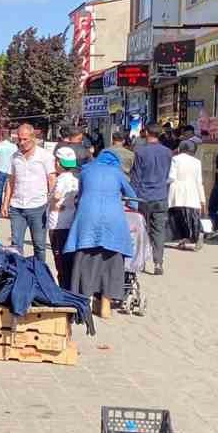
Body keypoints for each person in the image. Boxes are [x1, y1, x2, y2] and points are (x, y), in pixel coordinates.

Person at [63, 148, 139, 308]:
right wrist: (132, 205)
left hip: (87, 219)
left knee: (84, 257)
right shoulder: (118, 174)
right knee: (112, 260)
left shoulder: (86, 171)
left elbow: (81, 195)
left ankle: (86, 299)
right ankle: (105, 305)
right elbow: (133, 199)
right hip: (113, 221)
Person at [2, 124, 57, 264]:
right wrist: (5, 202)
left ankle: (40, 276)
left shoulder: (44, 156)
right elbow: (11, 181)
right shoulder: (15, 156)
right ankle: (18, 275)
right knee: (16, 246)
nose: (21, 143)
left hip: (38, 207)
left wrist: (52, 204)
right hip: (17, 207)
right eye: (19, 139)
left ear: (33, 137)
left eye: (25, 139)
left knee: (39, 246)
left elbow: (52, 180)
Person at [129, 125, 173, 275]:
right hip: (160, 195)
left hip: (143, 196)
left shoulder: (140, 152)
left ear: (146, 133)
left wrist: (132, 199)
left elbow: (135, 178)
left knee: (142, 229)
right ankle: (158, 262)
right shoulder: (168, 152)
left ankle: (140, 261)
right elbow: (167, 173)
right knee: (158, 230)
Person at [48, 146, 82, 287]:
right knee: (69, 260)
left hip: (58, 223)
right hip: (71, 222)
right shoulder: (76, 179)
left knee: (60, 261)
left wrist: (53, 202)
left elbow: (57, 196)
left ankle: (64, 289)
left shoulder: (61, 179)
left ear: (58, 162)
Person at [168, 139, 208, 250]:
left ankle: (183, 239)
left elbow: (172, 177)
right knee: (192, 217)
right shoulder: (197, 162)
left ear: (180, 148)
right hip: (192, 192)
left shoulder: (175, 159)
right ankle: (195, 236)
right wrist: (202, 200)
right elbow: (199, 182)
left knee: (178, 218)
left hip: (177, 192)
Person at [0, 131, 17, 220]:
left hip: (1, 171)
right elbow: (15, 160)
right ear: (10, 137)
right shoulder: (14, 147)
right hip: (11, 171)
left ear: (2, 136)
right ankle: (8, 208)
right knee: (9, 191)